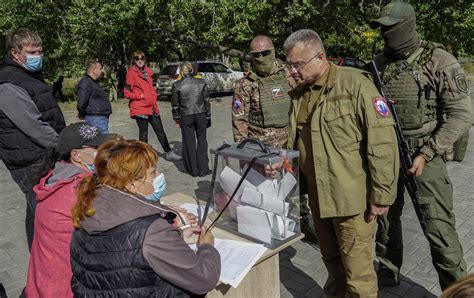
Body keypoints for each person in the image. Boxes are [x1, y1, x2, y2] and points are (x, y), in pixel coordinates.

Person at [284, 29, 399, 297]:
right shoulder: (299, 94)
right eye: (289, 65)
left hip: (351, 202)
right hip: (318, 197)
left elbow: (382, 142)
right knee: (333, 265)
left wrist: (381, 196)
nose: (292, 71)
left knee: (358, 275)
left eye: (297, 64)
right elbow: (295, 140)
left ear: (320, 57)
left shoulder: (355, 84)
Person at [370, 1, 471, 289]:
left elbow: (462, 114)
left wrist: (427, 153)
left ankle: (457, 289)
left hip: (425, 155)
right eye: (382, 29)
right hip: (388, 154)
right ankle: (388, 269)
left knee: (438, 227)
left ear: (407, 26)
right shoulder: (379, 64)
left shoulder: (439, 61)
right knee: (386, 219)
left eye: (390, 28)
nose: (385, 34)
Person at [70, 138, 220, 296]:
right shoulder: (151, 229)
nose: (159, 175)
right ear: (132, 184)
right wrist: (207, 247)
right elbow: (204, 279)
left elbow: (123, 250)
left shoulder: (88, 206)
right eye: (152, 173)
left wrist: (178, 237)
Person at [232, 35, 317, 243]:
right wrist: (245, 155)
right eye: (256, 55)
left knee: (294, 187)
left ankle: (301, 222)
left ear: (273, 51)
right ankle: (266, 228)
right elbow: (238, 120)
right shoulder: (245, 84)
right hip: (259, 148)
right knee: (263, 192)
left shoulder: (289, 74)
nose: (261, 58)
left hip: (289, 144)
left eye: (265, 53)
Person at [25, 122, 109, 298]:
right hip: (68, 287)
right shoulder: (79, 189)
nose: (104, 152)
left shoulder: (56, 177)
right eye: (97, 148)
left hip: (44, 283)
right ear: (77, 156)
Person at [0, 28, 65, 250]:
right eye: (31, 51)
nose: (38, 55)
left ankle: (40, 256)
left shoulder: (26, 76)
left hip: (39, 156)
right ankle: (43, 259)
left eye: (40, 50)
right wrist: (63, 144)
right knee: (41, 211)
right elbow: (34, 126)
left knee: (35, 208)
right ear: (15, 53)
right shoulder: (9, 83)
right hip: (30, 160)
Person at [124, 50, 181, 161]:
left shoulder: (148, 72)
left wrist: (155, 104)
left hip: (152, 107)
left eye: (142, 58)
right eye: (137, 59)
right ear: (134, 60)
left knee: (160, 130)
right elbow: (126, 93)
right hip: (140, 108)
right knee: (144, 134)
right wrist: (140, 95)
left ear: (145, 59)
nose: (140, 61)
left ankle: (168, 152)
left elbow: (151, 90)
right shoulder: (131, 73)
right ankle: (144, 157)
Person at [171, 61, 212, 177]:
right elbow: (207, 101)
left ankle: (194, 170)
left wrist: (176, 118)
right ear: (192, 70)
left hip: (186, 115)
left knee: (189, 142)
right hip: (201, 113)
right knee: (202, 141)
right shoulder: (201, 82)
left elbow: (175, 104)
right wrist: (208, 116)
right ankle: (203, 169)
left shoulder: (177, 85)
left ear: (181, 72)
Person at [76, 59, 112, 134]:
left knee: (101, 142)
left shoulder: (93, 82)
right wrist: (82, 114)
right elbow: (81, 103)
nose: (102, 71)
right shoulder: (86, 82)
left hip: (99, 118)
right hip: (96, 118)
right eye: (100, 68)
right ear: (94, 70)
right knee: (101, 143)